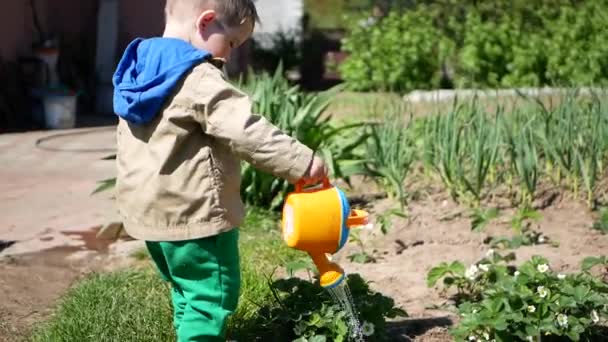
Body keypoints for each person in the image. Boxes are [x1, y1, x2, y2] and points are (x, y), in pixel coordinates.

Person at [112, 0, 327, 340]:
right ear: (206, 22)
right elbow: (244, 129)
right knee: (211, 296)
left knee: (187, 289)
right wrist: (303, 163)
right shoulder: (198, 77)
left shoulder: (139, 70)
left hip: (147, 214)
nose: (227, 55)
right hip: (195, 215)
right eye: (230, 43)